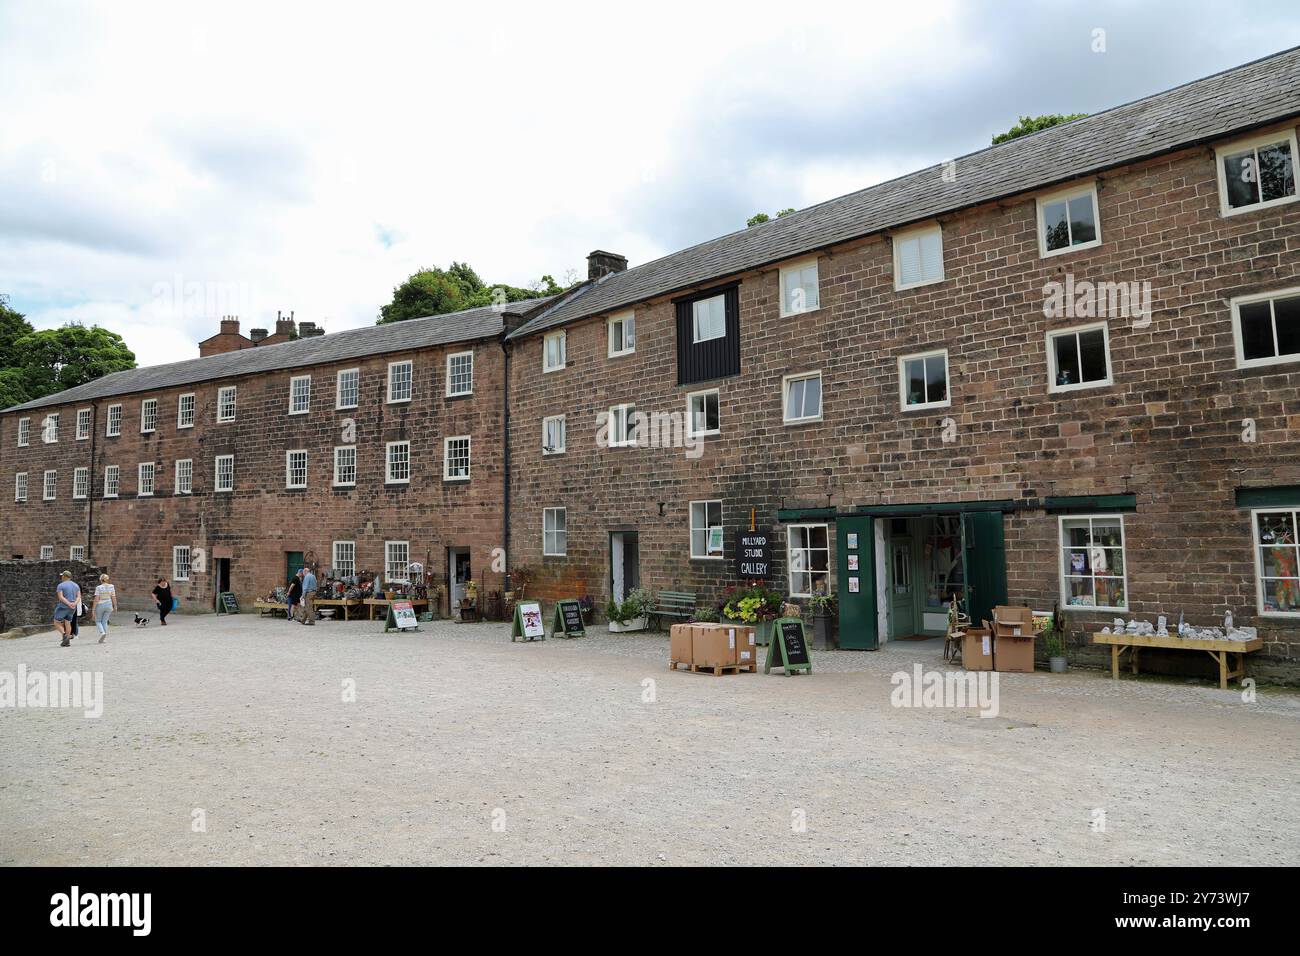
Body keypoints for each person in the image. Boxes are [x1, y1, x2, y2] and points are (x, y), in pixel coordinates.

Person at [53, 572, 81, 647]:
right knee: (68, 622)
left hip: (63, 606)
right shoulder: (76, 585)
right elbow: (78, 597)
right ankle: (67, 641)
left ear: (65, 576)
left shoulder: (60, 585)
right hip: (73, 607)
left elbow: (61, 597)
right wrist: (74, 604)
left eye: (62, 576)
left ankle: (64, 635)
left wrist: (68, 604)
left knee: (56, 622)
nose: (61, 577)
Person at [93, 573, 118, 643]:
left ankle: (102, 632)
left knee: (98, 621)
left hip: (101, 604)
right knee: (105, 621)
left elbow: (96, 599)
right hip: (109, 604)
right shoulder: (111, 586)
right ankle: (104, 637)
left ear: (101, 580)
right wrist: (115, 606)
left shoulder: (99, 587)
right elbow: (113, 596)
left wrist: (93, 609)